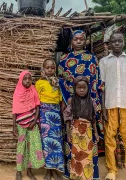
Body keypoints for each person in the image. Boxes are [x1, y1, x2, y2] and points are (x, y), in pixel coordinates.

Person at [58, 29, 103, 180]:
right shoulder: (64, 59)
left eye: (81, 39)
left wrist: (95, 102)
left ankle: (90, 173)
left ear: (85, 41)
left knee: (89, 139)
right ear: (71, 41)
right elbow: (61, 81)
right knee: (71, 138)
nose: (78, 41)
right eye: (75, 39)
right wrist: (66, 100)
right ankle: (71, 172)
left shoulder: (92, 59)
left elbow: (96, 81)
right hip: (71, 104)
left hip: (87, 102)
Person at [99, 31, 126, 180]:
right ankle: (111, 170)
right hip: (110, 104)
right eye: (114, 41)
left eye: (120, 41)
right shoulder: (104, 62)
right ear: (109, 44)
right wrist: (103, 108)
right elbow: (102, 87)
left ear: (124, 42)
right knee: (110, 139)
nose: (117, 43)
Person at [64, 76, 100, 180]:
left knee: (87, 154)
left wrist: (96, 133)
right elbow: (67, 116)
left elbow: (93, 118)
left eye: (84, 87)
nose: (82, 90)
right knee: (76, 154)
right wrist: (68, 132)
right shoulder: (72, 101)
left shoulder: (91, 101)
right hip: (75, 130)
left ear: (88, 88)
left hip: (87, 131)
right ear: (75, 88)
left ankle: (87, 176)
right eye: (79, 88)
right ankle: (76, 176)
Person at [12, 70, 45, 180]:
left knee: (32, 148)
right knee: (21, 148)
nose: (27, 81)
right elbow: (15, 110)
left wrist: (35, 121)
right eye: (25, 79)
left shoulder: (33, 91)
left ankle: (29, 171)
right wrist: (14, 127)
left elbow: (37, 106)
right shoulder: (17, 93)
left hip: (32, 124)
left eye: (29, 79)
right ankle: (18, 171)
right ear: (21, 80)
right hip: (21, 125)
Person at [35, 59, 64, 180]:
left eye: (52, 67)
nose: (50, 69)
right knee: (46, 144)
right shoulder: (39, 83)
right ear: (43, 69)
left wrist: (61, 113)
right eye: (47, 67)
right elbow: (36, 101)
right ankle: (48, 171)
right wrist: (38, 118)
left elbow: (61, 99)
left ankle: (55, 171)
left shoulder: (58, 82)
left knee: (57, 143)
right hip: (44, 114)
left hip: (56, 114)